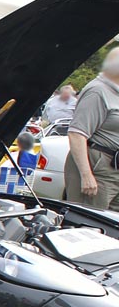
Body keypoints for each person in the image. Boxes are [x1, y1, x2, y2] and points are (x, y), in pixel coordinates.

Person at [64, 48, 119, 210]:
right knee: (90, 225)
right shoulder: (97, 91)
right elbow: (76, 134)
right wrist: (86, 176)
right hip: (98, 169)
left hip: (114, 169)